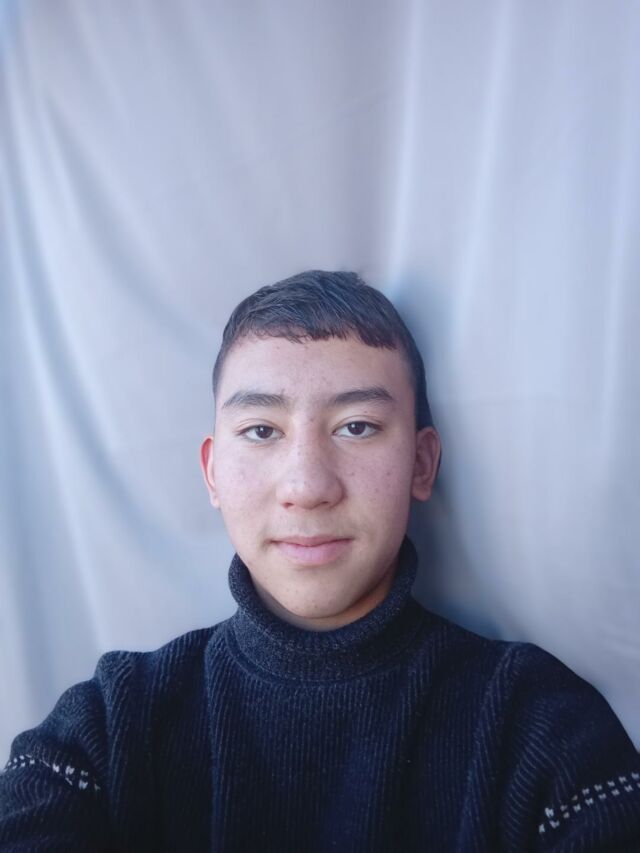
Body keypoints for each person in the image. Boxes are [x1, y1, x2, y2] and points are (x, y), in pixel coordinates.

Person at [1, 270, 639, 852]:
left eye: (356, 426)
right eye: (261, 431)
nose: (307, 487)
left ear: (422, 464)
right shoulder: (110, 725)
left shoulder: (538, 723)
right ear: (213, 472)